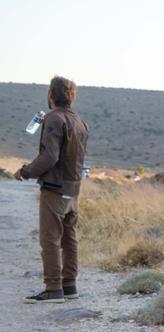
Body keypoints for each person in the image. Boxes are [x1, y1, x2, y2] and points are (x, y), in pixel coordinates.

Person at [15, 76, 89, 304]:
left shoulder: (54, 120)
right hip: (73, 189)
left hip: (55, 189)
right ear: (71, 96)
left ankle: (53, 288)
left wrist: (25, 171)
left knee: (50, 239)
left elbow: (50, 156)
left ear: (51, 94)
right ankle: (69, 286)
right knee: (69, 239)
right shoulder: (80, 122)